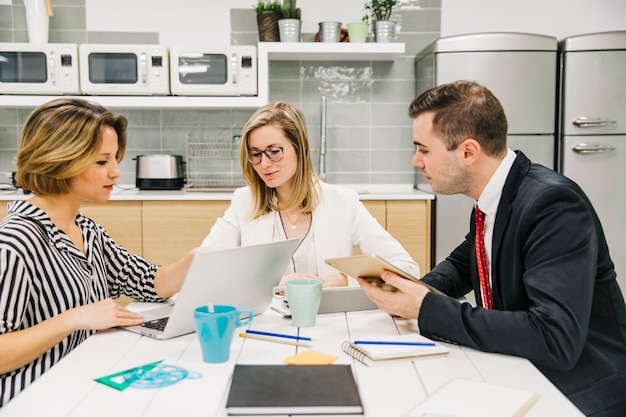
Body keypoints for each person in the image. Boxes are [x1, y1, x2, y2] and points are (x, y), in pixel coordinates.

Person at [359, 80, 626, 417]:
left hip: (585, 393)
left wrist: (425, 308)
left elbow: (554, 337)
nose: (416, 160)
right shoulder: (497, 197)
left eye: (424, 149)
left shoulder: (553, 205)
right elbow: (464, 264)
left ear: (468, 152)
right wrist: (406, 289)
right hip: (525, 369)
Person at [0, 98, 202, 407]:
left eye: (115, 159)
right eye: (102, 161)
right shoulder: (15, 241)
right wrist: (72, 319)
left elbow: (148, 282)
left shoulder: (87, 230)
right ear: (60, 159)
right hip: (35, 399)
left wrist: (195, 260)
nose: (117, 172)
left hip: (82, 381)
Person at [201, 101, 420, 287]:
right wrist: (274, 282)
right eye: (256, 154)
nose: (264, 164)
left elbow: (406, 268)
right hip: (264, 323)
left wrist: (341, 280)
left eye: (275, 151)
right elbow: (205, 267)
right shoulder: (244, 201)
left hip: (330, 324)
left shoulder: (343, 203)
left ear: (301, 147)